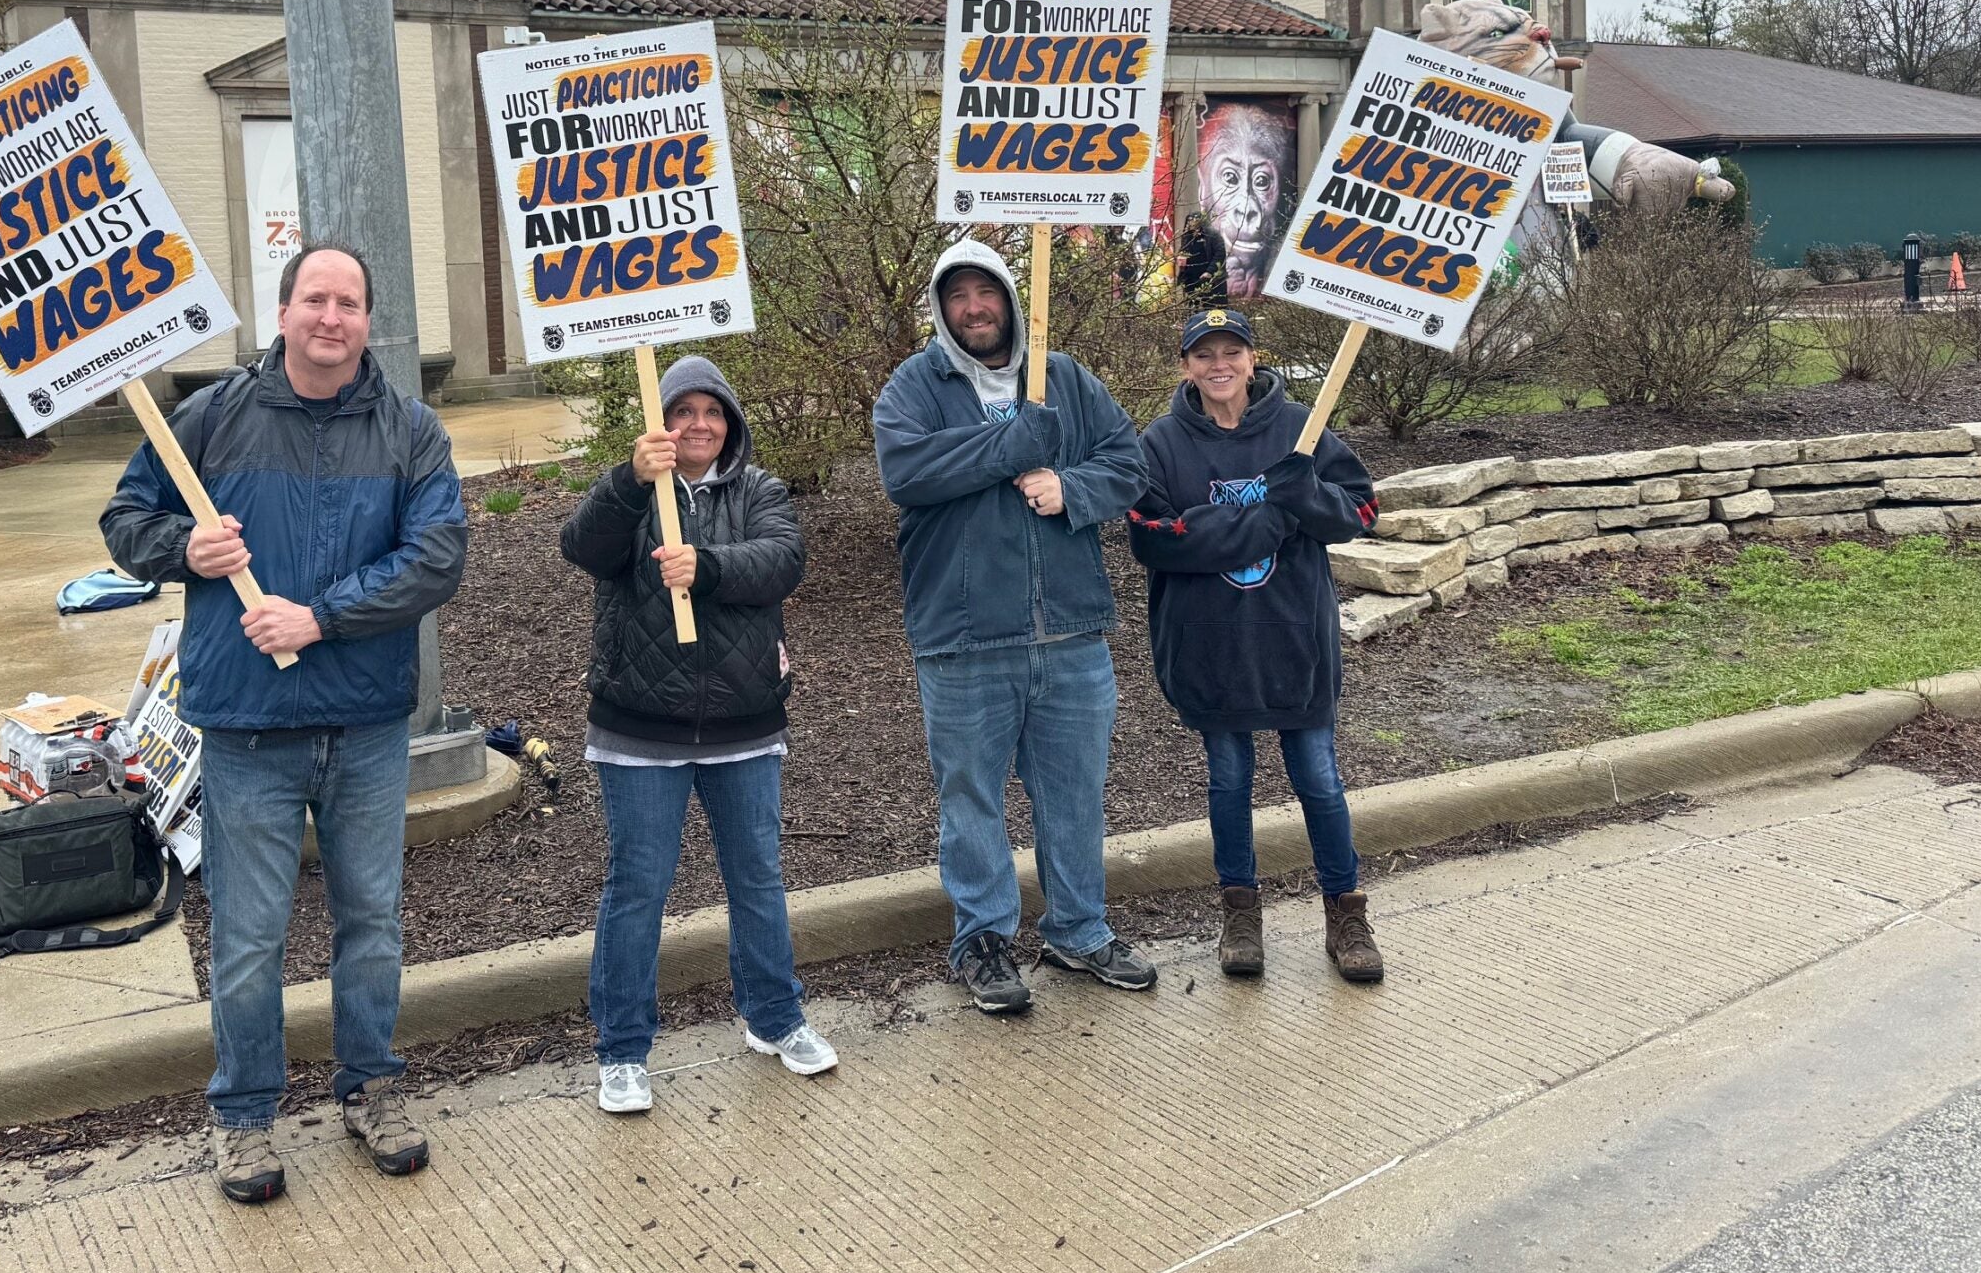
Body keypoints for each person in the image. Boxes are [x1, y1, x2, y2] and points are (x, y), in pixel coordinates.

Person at [101, 242, 466, 1203]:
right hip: (248, 728)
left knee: (371, 923)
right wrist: (185, 547)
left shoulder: (410, 429)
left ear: (368, 320)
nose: (331, 318)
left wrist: (321, 618)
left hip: (367, 725)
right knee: (250, 936)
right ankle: (244, 1116)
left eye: (349, 302)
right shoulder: (211, 418)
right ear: (284, 312)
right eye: (315, 299)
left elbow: (437, 557)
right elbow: (126, 519)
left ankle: (372, 1088)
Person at [871, 238, 1156, 1014]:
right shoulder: (915, 386)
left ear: (1009, 297)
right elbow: (908, 472)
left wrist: (1072, 487)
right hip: (964, 639)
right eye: (958, 296)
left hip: (1071, 633)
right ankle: (983, 940)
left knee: (1075, 796)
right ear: (942, 310)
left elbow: (1128, 463)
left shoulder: (1064, 378)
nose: (974, 308)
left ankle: (1080, 930)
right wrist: (1012, 444)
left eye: (986, 291)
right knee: (971, 802)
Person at [560, 354, 832, 1117]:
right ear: (662, 422)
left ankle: (775, 1018)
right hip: (639, 730)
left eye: (712, 413)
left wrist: (704, 567)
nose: (699, 426)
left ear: (731, 424)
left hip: (745, 726)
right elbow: (583, 549)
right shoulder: (630, 492)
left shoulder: (760, 490)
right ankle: (622, 1050)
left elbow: (782, 562)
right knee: (637, 887)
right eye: (683, 412)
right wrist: (628, 480)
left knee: (757, 878)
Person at [1128, 308, 1385, 984]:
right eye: (1204, 354)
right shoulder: (1161, 443)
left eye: (1231, 352)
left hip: (1295, 639)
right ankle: (1240, 914)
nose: (1220, 365)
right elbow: (1153, 537)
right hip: (1210, 647)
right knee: (1229, 781)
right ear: (1186, 366)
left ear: (1252, 358)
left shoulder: (1302, 427)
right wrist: (1274, 518)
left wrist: (1310, 495)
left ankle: (1346, 913)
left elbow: (1359, 512)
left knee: (1319, 780)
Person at [1177, 211, 1228, 307]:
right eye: (1190, 220)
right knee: (1193, 306)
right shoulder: (1187, 235)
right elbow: (1183, 251)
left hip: (1208, 277)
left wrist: (1210, 271)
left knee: (1212, 306)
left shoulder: (1212, 235)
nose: (1192, 222)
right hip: (1191, 278)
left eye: (1195, 219)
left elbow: (1220, 254)